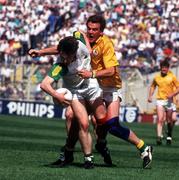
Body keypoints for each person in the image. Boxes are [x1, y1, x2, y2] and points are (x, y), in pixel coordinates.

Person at [52, 14, 153, 169]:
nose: (91, 32)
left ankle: (143, 147)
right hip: (93, 87)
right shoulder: (82, 41)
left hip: (110, 88)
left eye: (95, 29)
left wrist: (91, 74)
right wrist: (40, 52)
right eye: (89, 29)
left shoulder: (106, 44)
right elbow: (64, 49)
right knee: (72, 116)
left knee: (111, 125)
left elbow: (112, 70)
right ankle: (69, 153)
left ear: (101, 31)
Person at [28, 36, 108, 169]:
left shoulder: (80, 47)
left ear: (74, 53)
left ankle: (100, 143)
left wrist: (88, 46)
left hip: (91, 86)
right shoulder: (60, 65)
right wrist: (56, 95)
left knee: (101, 119)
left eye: (66, 57)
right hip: (76, 91)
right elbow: (44, 84)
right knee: (82, 123)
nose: (64, 60)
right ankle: (88, 159)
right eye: (62, 56)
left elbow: (80, 33)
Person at [148, 59, 179, 145]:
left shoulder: (172, 77)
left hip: (169, 101)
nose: (164, 70)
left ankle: (169, 135)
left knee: (171, 119)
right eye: (162, 68)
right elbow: (153, 86)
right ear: (160, 68)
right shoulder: (157, 77)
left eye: (165, 68)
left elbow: (178, 87)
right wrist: (150, 96)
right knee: (160, 119)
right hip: (160, 100)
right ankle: (159, 137)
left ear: (168, 68)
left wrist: (172, 94)